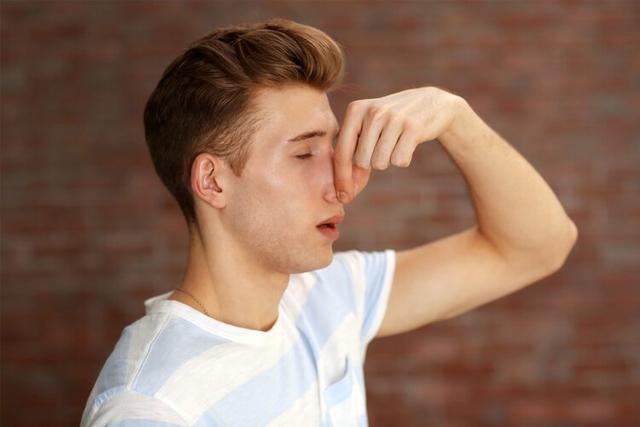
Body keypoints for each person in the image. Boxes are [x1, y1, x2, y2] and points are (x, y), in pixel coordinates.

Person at [80, 18, 578, 427]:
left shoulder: (326, 296)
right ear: (212, 181)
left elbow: (536, 248)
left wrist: (455, 118)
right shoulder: (150, 408)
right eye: (304, 154)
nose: (339, 182)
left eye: (331, 147)